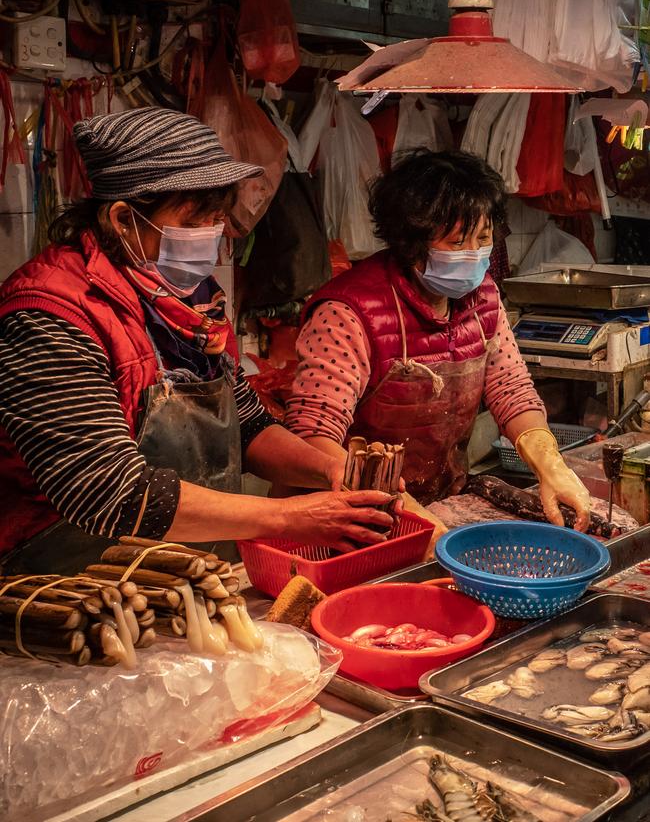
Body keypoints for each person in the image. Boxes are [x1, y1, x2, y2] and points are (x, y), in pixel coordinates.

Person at [0, 107, 394, 574]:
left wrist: (328, 469)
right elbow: (107, 492)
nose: (214, 235)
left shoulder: (193, 303)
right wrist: (290, 516)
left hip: (180, 572)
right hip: (61, 588)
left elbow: (246, 427)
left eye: (217, 218)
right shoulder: (48, 316)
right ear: (124, 219)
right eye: (195, 221)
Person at [285, 149, 591, 533]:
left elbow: (511, 390)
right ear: (413, 242)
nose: (474, 254)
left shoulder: (483, 298)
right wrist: (406, 512)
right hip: (342, 516)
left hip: (442, 500)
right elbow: (312, 435)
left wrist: (552, 467)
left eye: (483, 239)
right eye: (457, 241)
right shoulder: (346, 311)